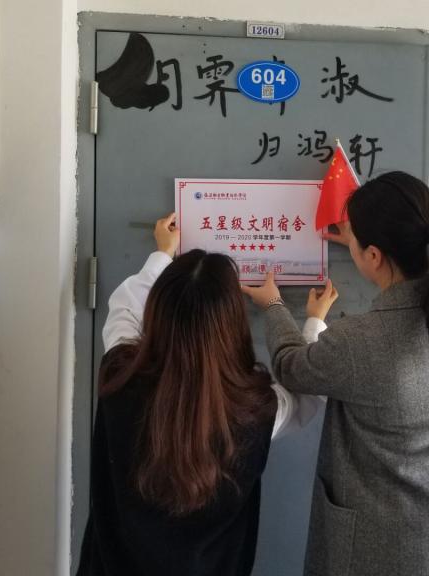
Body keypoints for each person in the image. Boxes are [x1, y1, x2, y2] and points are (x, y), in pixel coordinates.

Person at [242, 171, 429, 576]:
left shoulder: (361, 341)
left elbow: (290, 366)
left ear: (374, 256)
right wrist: (365, 243)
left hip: (388, 548)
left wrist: (273, 305)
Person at [77, 213, 339, 576]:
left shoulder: (120, 374)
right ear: (231, 326)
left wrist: (162, 254)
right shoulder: (254, 411)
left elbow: (124, 308)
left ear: (157, 313)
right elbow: (307, 390)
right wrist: (306, 320)